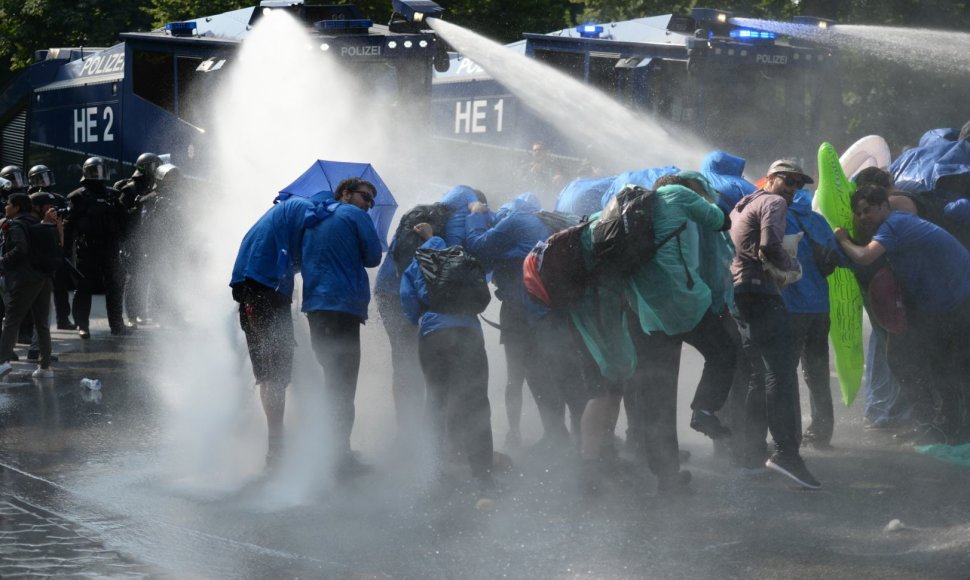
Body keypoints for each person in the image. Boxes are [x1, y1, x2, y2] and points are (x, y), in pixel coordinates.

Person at [622, 172, 736, 495]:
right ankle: (704, 409)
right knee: (723, 352)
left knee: (660, 394)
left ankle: (666, 477)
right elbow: (720, 221)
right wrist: (704, 203)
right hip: (684, 302)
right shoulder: (677, 193)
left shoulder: (636, 209)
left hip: (648, 314)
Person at [834, 184, 970, 444]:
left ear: (885, 206)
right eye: (859, 212)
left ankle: (955, 428)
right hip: (944, 304)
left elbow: (864, 257)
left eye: (868, 210)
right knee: (938, 365)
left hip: (961, 299)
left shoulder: (894, 225)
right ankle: (944, 424)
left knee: (952, 367)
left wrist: (842, 240)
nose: (863, 217)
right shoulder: (898, 224)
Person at [729, 159, 821, 489]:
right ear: (770, 178)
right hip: (761, 295)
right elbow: (769, 246)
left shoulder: (743, 204)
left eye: (799, 184)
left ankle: (749, 452)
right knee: (780, 372)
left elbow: (750, 247)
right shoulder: (774, 202)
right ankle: (785, 453)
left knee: (759, 374)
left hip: (741, 294)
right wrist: (791, 267)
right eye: (789, 181)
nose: (794, 189)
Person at [400, 222, 496, 504]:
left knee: (436, 400)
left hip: (434, 334)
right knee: (476, 402)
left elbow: (408, 302)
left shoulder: (416, 263)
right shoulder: (463, 258)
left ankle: (433, 472)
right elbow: (482, 294)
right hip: (468, 332)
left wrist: (422, 318)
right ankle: (483, 477)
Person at [300, 177, 382, 477]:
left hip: (316, 308)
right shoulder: (354, 215)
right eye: (365, 197)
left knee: (329, 379)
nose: (369, 204)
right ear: (345, 194)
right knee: (343, 386)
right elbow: (373, 257)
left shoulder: (311, 217)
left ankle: (320, 449)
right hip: (343, 308)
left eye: (372, 201)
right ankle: (339, 458)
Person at [231, 196, 315, 467]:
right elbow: (307, 253)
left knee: (268, 373)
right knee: (275, 374)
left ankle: (273, 440)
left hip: (252, 295)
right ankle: (276, 449)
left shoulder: (276, 219)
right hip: (265, 295)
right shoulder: (303, 208)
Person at [781, 188, 842, 449]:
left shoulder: (780, 218)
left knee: (784, 373)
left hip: (791, 307)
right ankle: (821, 431)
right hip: (819, 306)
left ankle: (790, 433)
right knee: (817, 371)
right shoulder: (817, 219)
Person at [64, 156, 127, 338]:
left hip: (110, 247)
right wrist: (67, 250)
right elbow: (70, 225)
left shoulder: (113, 195)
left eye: (100, 170)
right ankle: (82, 325)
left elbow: (123, 222)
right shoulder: (78, 197)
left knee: (114, 286)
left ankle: (117, 324)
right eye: (94, 171)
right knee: (84, 288)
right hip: (88, 248)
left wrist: (125, 243)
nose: (98, 175)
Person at [0, 193, 60, 378]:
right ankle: (45, 367)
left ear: (17, 207)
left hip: (25, 279)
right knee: (41, 323)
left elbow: (21, 248)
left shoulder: (16, 224)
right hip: (44, 278)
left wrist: (2, 260)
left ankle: (2, 362)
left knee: (11, 320)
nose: (5, 207)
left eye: (8, 204)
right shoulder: (37, 222)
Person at [115, 152, 161, 328]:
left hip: (149, 239)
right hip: (133, 240)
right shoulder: (130, 189)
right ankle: (132, 316)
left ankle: (143, 312)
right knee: (134, 278)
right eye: (153, 166)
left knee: (147, 276)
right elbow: (121, 215)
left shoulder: (153, 188)